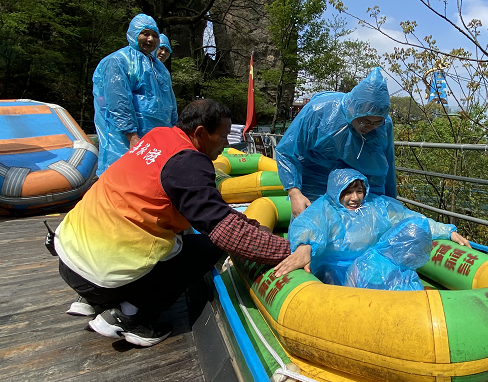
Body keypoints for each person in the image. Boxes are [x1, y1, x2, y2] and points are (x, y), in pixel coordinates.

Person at [56, 99, 305, 347]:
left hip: (70, 261)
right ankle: (132, 316)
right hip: (100, 277)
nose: (227, 144)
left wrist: (250, 223)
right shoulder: (189, 163)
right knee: (208, 247)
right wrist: (292, 251)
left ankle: (94, 300)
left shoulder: (159, 137)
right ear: (200, 133)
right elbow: (226, 232)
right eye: (223, 136)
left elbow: (212, 207)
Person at [273, 169, 469, 291]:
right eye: (348, 192)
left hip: (369, 263)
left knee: (398, 275)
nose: (355, 197)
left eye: (359, 191)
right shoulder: (325, 208)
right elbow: (308, 224)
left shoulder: (376, 206)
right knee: (333, 283)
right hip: (334, 266)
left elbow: (410, 218)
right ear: (336, 193)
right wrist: (304, 247)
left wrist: (447, 231)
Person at [276, 67, 396, 218]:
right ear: (352, 108)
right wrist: (294, 193)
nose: (369, 127)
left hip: (360, 185)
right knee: (311, 228)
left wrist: (392, 202)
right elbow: (286, 150)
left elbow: (388, 163)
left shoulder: (384, 125)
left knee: (366, 229)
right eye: (364, 120)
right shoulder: (318, 111)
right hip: (316, 179)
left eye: (376, 122)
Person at [92, 14, 178, 176]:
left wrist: (174, 130)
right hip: (126, 138)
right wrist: (132, 136)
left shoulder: (160, 68)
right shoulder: (118, 61)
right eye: (145, 33)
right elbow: (118, 101)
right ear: (133, 34)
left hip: (159, 137)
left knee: (151, 179)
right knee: (123, 177)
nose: (150, 39)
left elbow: (170, 103)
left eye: (154, 35)